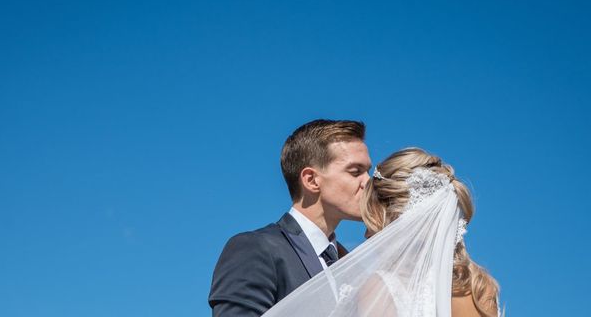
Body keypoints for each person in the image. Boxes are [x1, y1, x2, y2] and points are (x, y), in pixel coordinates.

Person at [260, 147, 502, 317]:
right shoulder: (482, 290)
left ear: (389, 220)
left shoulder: (382, 288)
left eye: (369, 220)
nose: (366, 235)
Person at [208, 119, 373, 317]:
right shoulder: (255, 249)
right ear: (311, 180)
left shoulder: (353, 268)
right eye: (356, 172)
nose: (369, 182)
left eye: (368, 171)